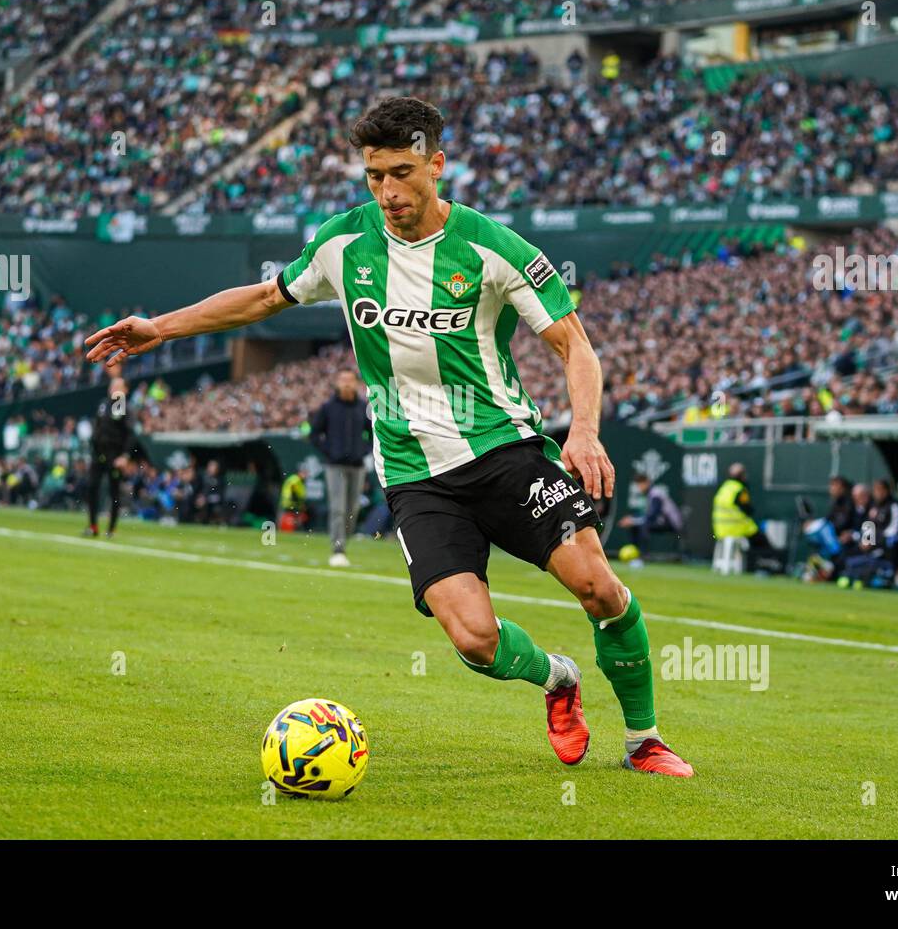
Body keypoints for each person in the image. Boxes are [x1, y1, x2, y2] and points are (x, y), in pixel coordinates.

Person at [84, 96, 692, 777]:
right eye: (374, 176)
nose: (388, 191)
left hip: (505, 452)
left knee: (598, 588)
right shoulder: (343, 242)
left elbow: (574, 346)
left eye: (402, 172)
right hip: (413, 474)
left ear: (437, 163)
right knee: (475, 641)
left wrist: (584, 430)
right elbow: (262, 298)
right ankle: (557, 679)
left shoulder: (493, 248)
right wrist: (160, 327)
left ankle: (644, 740)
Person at [310, 369, 372, 567]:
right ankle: (338, 548)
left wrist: (364, 451)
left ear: (356, 383)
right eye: (343, 379)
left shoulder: (363, 407)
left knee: (352, 509)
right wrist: (329, 451)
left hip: (357, 466)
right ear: (336, 383)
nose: (346, 383)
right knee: (337, 508)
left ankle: (343, 541)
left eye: (350, 380)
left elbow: (373, 434)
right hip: (334, 465)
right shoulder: (328, 407)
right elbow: (314, 434)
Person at [86, 377, 135, 538]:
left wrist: (125, 456)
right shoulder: (103, 404)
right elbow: (100, 427)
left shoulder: (119, 404)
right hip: (98, 454)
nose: (113, 387)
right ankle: (93, 526)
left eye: (118, 385)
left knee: (114, 492)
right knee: (92, 487)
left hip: (114, 455)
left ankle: (111, 529)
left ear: (125, 390)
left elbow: (128, 433)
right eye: (112, 385)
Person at [712, 462, 783, 574]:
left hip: (720, 530)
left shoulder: (724, 488)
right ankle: (766, 566)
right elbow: (747, 509)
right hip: (737, 529)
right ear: (742, 475)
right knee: (762, 540)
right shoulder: (739, 489)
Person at [617, 473, 683, 567]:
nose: (640, 487)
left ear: (647, 483)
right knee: (635, 526)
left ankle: (643, 558)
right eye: (638, 484)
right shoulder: (649, 495)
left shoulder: (656, 494)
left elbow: (652, 516)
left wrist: (633, 520)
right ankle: (636, 556)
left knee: (644, 526)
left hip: (672, 523)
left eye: (641, 484)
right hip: (661, 521)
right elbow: (648, 516)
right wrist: (633, 520)